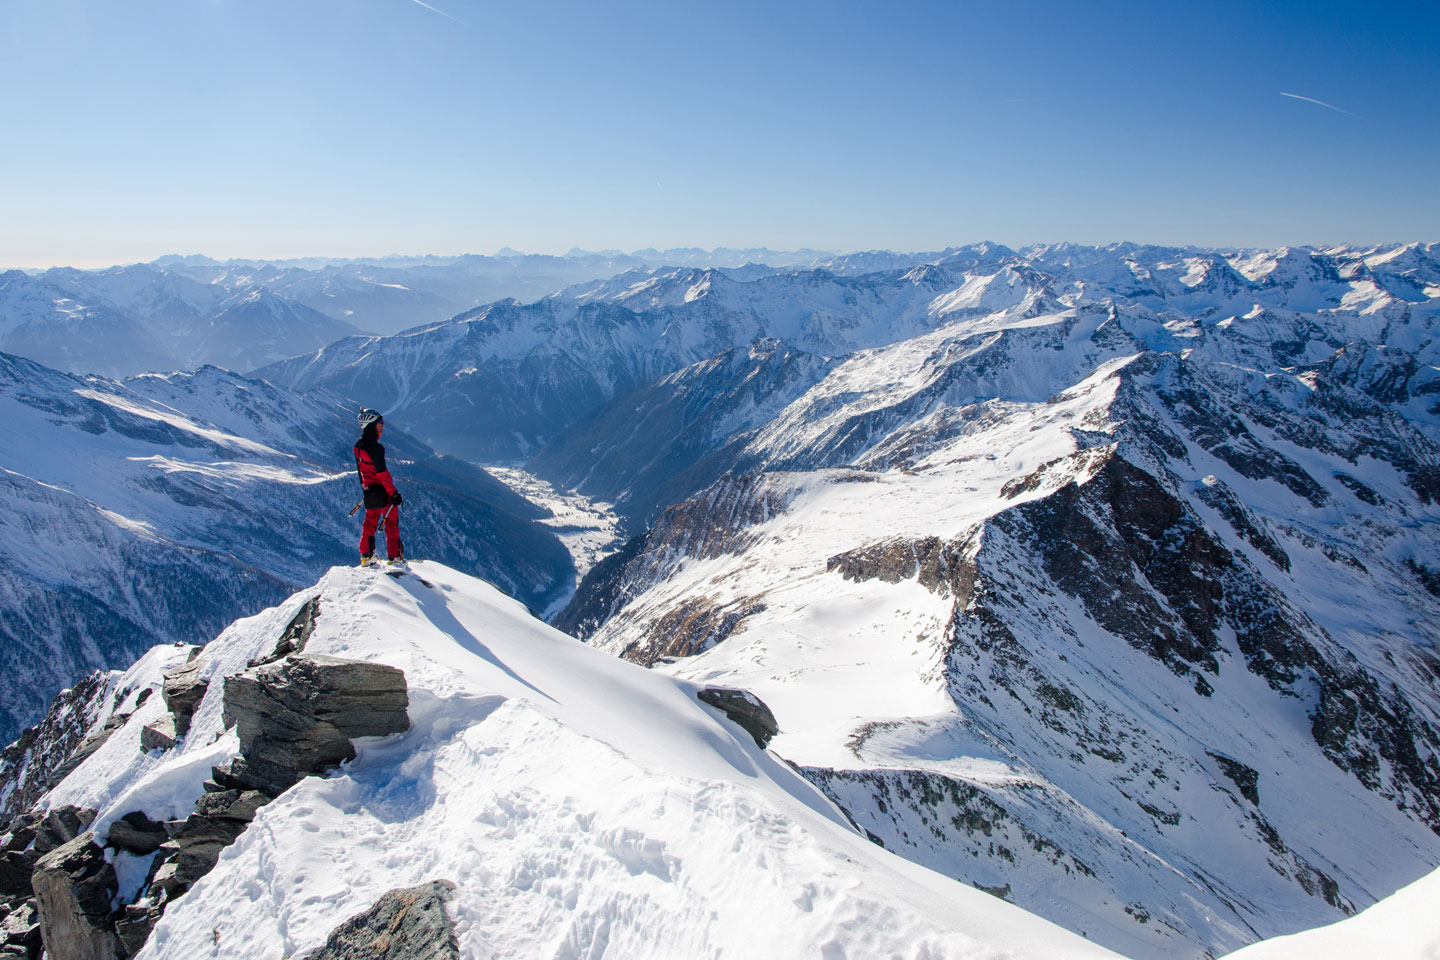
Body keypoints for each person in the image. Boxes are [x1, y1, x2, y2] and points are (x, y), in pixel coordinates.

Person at [353, 408, 404, 566]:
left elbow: (361, 471)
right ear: (371, 424)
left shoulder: (358, 446)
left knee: (370, 522)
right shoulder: (376, 448)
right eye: (379, 422)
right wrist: (393, 493)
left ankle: (366, 556)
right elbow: (382, 473)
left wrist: (365, 491)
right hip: (384, 492)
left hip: (370, 491)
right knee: (391, 524)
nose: (382, 425)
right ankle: (394, 558)